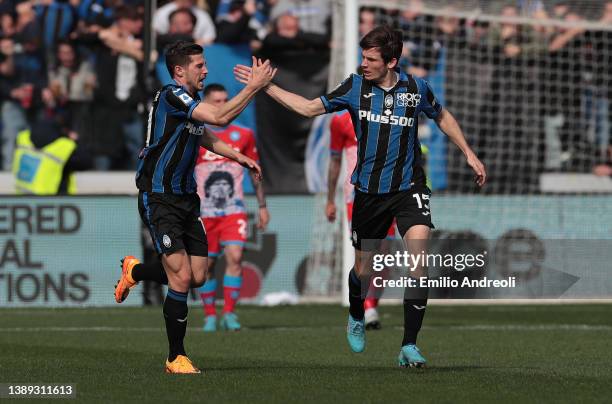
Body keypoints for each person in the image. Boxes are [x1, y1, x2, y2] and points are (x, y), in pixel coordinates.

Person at [235, 25, 486, 367]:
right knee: (363, 269)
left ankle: (409, 345)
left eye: (370, 59)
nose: (363, 64)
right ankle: (356, 314)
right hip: (369, 192)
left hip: (409, 187)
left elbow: (441, 115)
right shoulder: (354, 87)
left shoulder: (416, 88)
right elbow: (309, 108)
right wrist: (266, 86)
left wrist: (468, 153)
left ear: (392, 61)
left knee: (418, 262)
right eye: (362, 57)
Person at [113, 40, 275, 374]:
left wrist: (238, 156)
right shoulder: (171, 95)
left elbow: (204, 133)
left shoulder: (190, 103)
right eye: (199, 65)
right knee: (182, 277)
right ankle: (176, 357)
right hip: (159, 198)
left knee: (198, 277)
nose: (205, 70)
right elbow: (220, 115)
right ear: (179, 70)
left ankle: (135, 271)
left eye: (204, 64)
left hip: (187, 199)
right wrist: (254, 87)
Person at [195, 83, 269, 332]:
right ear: (206, 104)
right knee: (206, 266)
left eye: (225, 99)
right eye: (217, 101)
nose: (223, 104)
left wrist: (262, 206)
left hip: (233, 210)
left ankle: (229, 313)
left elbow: (254, 172)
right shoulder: (197, 134)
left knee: (235, 257)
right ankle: (209, 315)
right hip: (204, 213)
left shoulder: (244, 134)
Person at [325, 110, 396, 330]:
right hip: (355, 196)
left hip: (388, 192)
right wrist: (330, 199)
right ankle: (365, 307)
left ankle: (372, 304)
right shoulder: (340, 120)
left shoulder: (390, 113)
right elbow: (335, 160)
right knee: (366, 252)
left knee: (385, 253)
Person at [12, 117, 90, 195]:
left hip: (24, 200)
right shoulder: (64, 147)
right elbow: (87, 162)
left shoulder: (22, 138)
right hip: (54, 202)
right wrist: (77, 141)